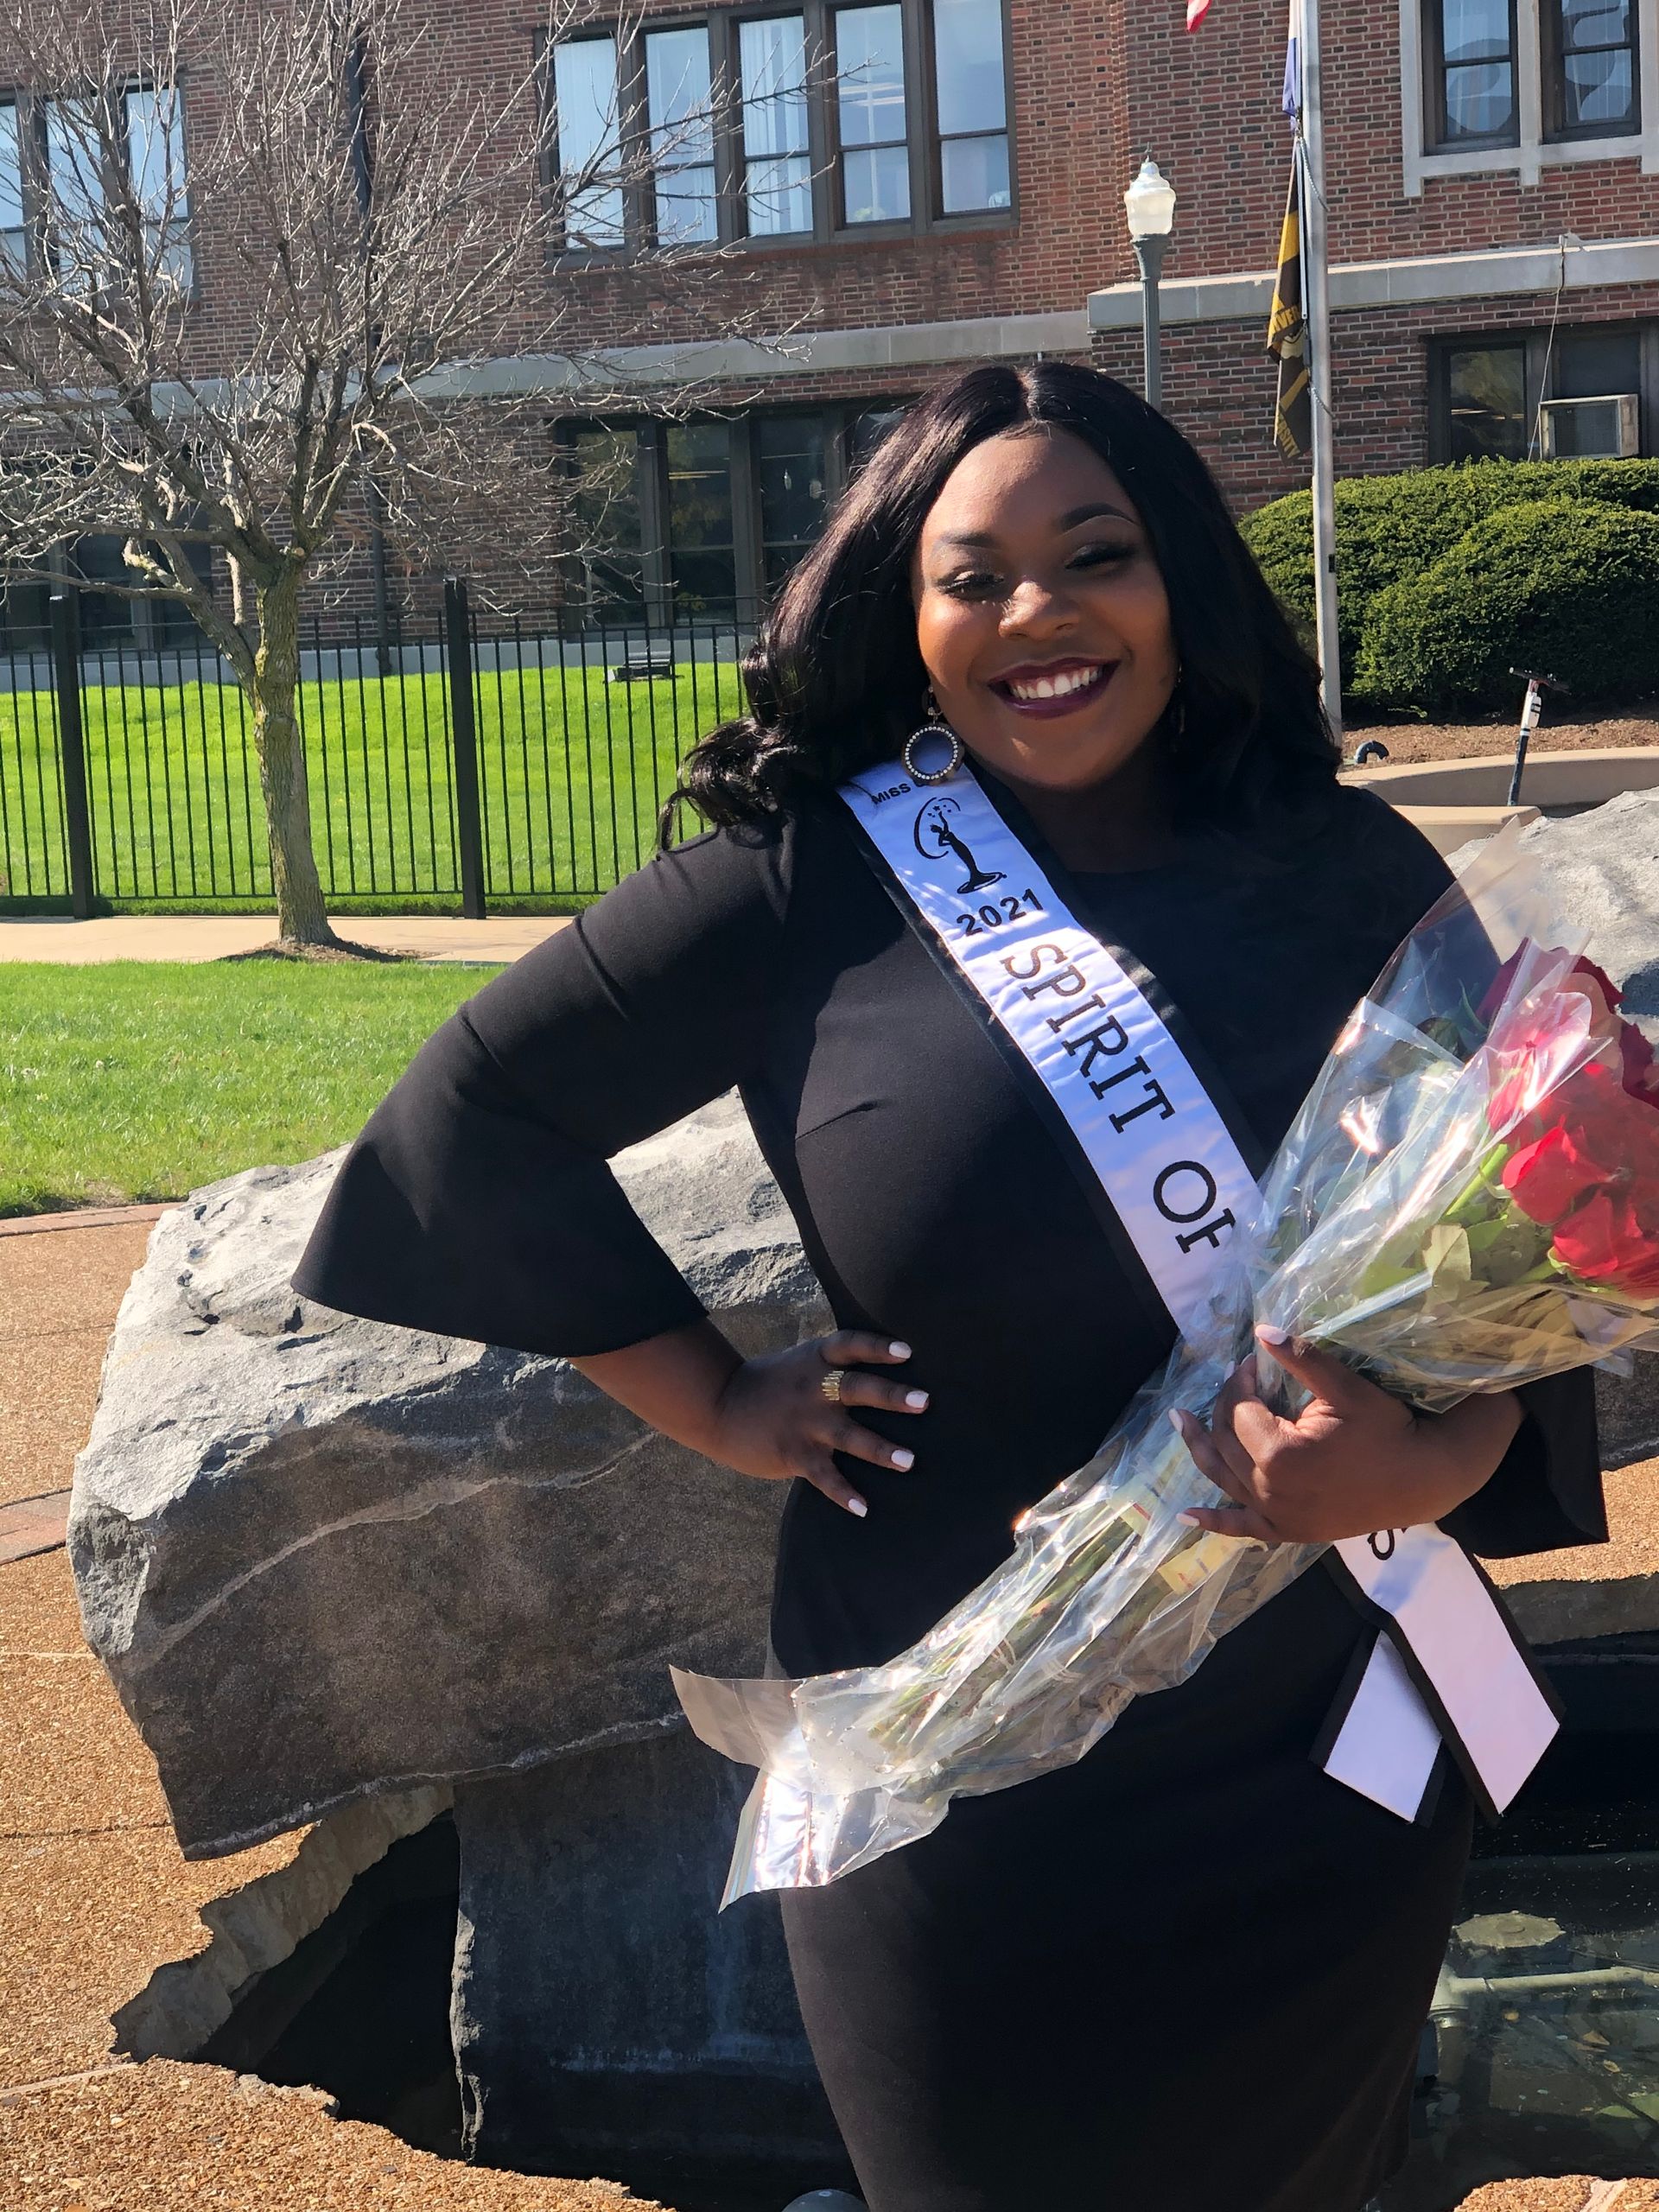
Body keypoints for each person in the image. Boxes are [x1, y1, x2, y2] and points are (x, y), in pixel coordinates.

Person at [294, 361, 1603, 2212]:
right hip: (957, 1762)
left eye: (1097, 555)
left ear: (1182, 582)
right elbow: (469, 1123)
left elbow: (1527, 1234)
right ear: (903, 618)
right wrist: (712, 1394)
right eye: (973, 576)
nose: (1038, 613)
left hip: (1315, 1741)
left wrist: (1433, 1466)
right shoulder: (808, 878)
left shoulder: (1342, 865)